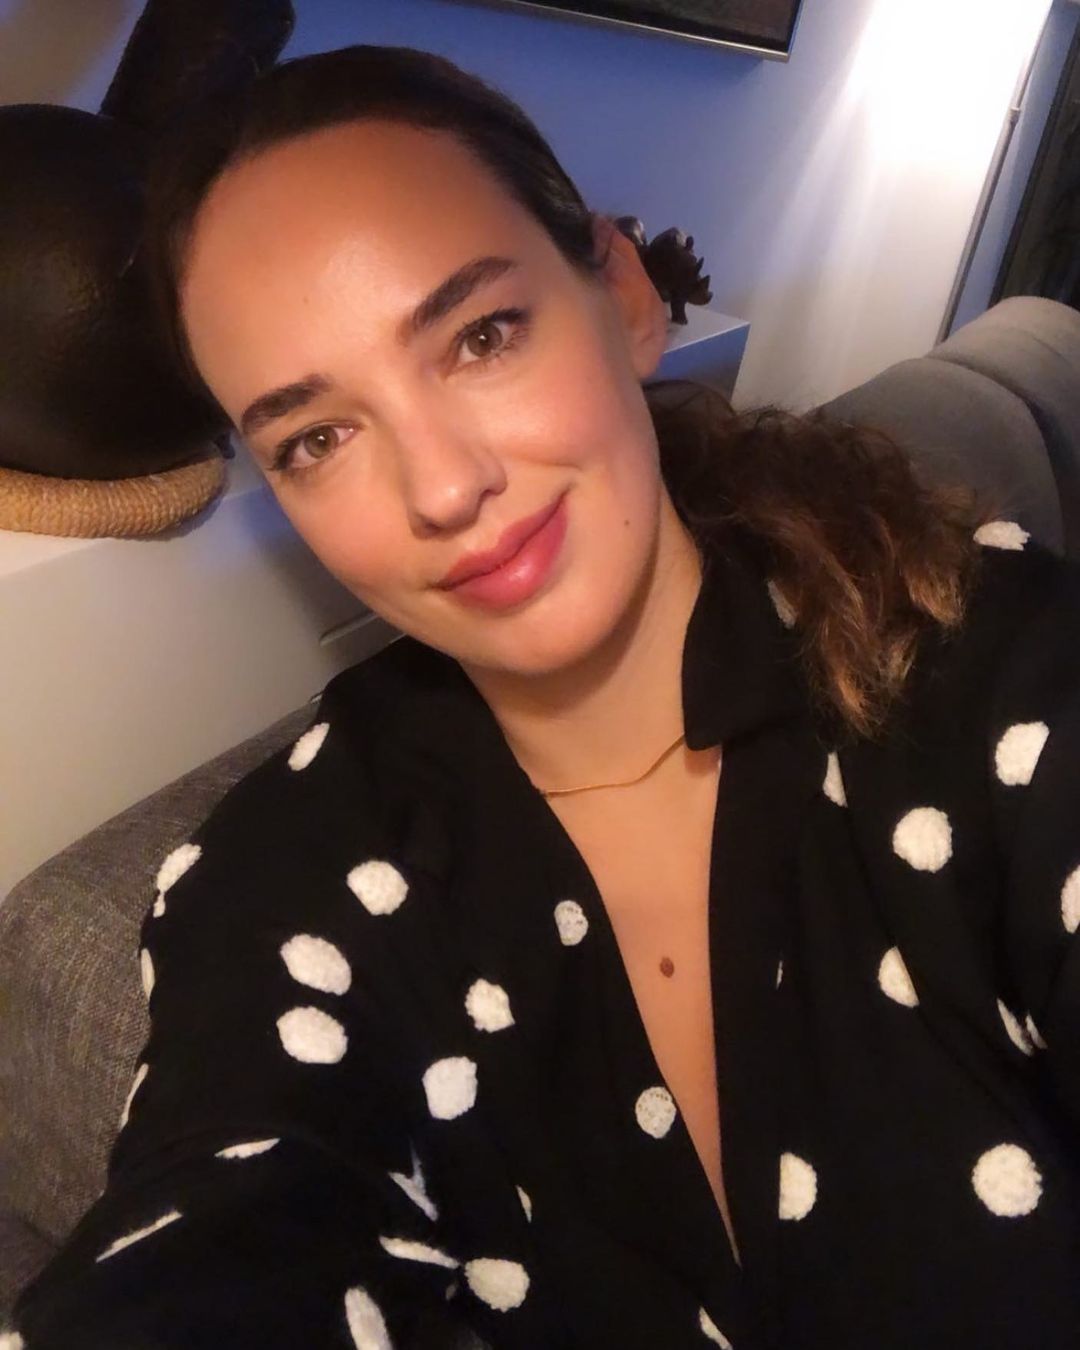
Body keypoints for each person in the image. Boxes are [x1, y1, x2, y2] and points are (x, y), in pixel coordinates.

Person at [7, 42, 1080, 1350]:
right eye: (317, 437)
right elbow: (219, 1220)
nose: (442, 487)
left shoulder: (986, 668)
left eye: (481, 336)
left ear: (621, 296)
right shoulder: (280, 877)